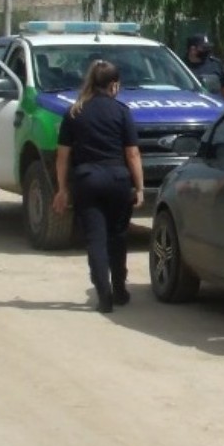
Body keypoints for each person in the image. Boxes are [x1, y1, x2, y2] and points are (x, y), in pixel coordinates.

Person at [52, 60, 144, 313]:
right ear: (114, 85)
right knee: (117, 237)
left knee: (95, 240)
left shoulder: (74, 112)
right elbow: (133, 154)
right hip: (117, 180)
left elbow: (62, 157)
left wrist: (62, 189)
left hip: (87, 180)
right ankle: (120, 289)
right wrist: (140, 187)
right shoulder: (122, 112)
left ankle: (104, 294)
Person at [183, 33, 224, 102]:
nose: (207, 50)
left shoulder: (216, 65)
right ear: (193, 49)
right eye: (203, 48)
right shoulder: (180, 67)